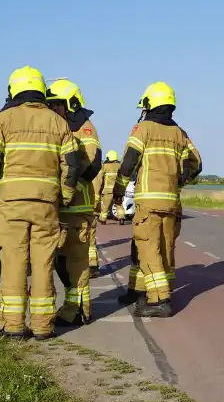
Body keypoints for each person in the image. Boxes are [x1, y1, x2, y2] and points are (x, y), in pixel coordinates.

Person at [0, 66, 82, 340]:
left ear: (14, 90)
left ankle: (13, 326)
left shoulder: (3, 119)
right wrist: (65, 197)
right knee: (44, 263)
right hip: (47, 205)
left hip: (11, 204)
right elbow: (72, 165)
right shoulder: (58, 122)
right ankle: (43, 326)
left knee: (13, 262)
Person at [111, 82, 202, 318]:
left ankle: (160, 299)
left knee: (148, 249)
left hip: (149, 201)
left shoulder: (143, 129)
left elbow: (129, 161)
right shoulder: (180, 133)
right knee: (165, 248)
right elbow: (196, 164)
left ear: (150, 104)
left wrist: (118, 192)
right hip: (171, 202)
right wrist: (179, 183)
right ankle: (146, 290)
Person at [46, 78, 102, 326]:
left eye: (56, 104)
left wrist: (67, 178)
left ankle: (79, 310)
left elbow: (92, 165)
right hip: (61, 206)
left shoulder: (84, 128)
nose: (52, 108)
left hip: (78, 206)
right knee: (60, 259)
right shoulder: (60, 126)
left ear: (71, 103)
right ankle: (71, 305)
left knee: (76, 261)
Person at [88, 149, 121, 278]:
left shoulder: (104, 166)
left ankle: (103, 218)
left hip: (106, 192)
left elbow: (98, 182)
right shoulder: (118, 165)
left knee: (105, 210)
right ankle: (93, 266)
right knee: (118, 206)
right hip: (116, 191)